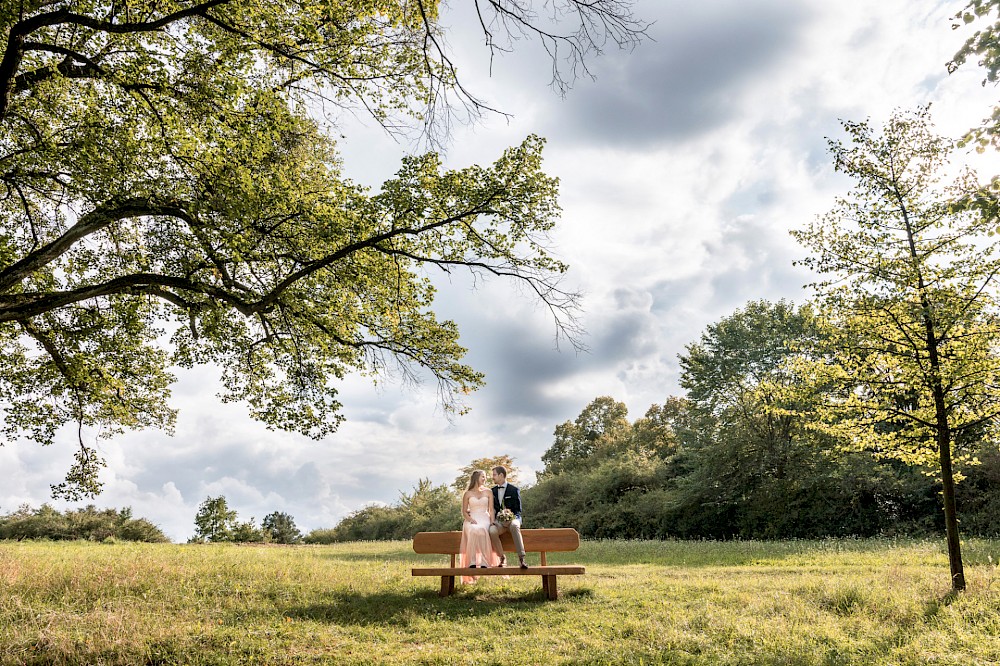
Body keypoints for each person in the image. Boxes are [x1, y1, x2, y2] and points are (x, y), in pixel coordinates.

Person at [458, 469, 499, 583]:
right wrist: (470, 519)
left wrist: (492, 521)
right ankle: (472, 562)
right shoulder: (468, 494)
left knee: (482, 530)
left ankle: (484, 562)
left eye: (485, 477)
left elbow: (491, 509)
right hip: (472, 518)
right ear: (476, 478)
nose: (485, 479)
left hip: (484, 517)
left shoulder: (488, 492)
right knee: (473, 530)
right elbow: (464, 511)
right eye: (483, 477)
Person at [488, 465, 527, 568]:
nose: (493, 477)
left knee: (514, 526)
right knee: (492, 530)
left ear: (501, 475)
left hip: (513, 519)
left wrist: (509, 517)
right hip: (499, 522)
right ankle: (502, 558)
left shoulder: (514, 490)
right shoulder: (492, 491)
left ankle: (522, 559)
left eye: (494, 475)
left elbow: (518, 510)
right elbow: (492, 509)